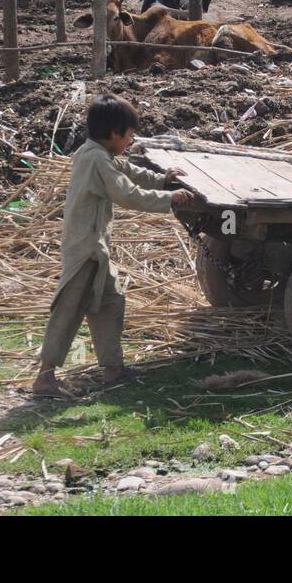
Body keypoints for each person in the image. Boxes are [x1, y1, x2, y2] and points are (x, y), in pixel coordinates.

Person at [32, 94, 201, 398]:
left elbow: (129, 171)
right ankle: (45, 377)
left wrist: (163, 179)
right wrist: (169, 199)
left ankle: (113, 369)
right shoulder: (95, 158)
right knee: (69, 310)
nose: (130, 141)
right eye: (129, 135)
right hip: (85, 249)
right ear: (113, 134)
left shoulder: (99, 153)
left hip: (98, 247)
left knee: (111, 302)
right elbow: (126, 192)